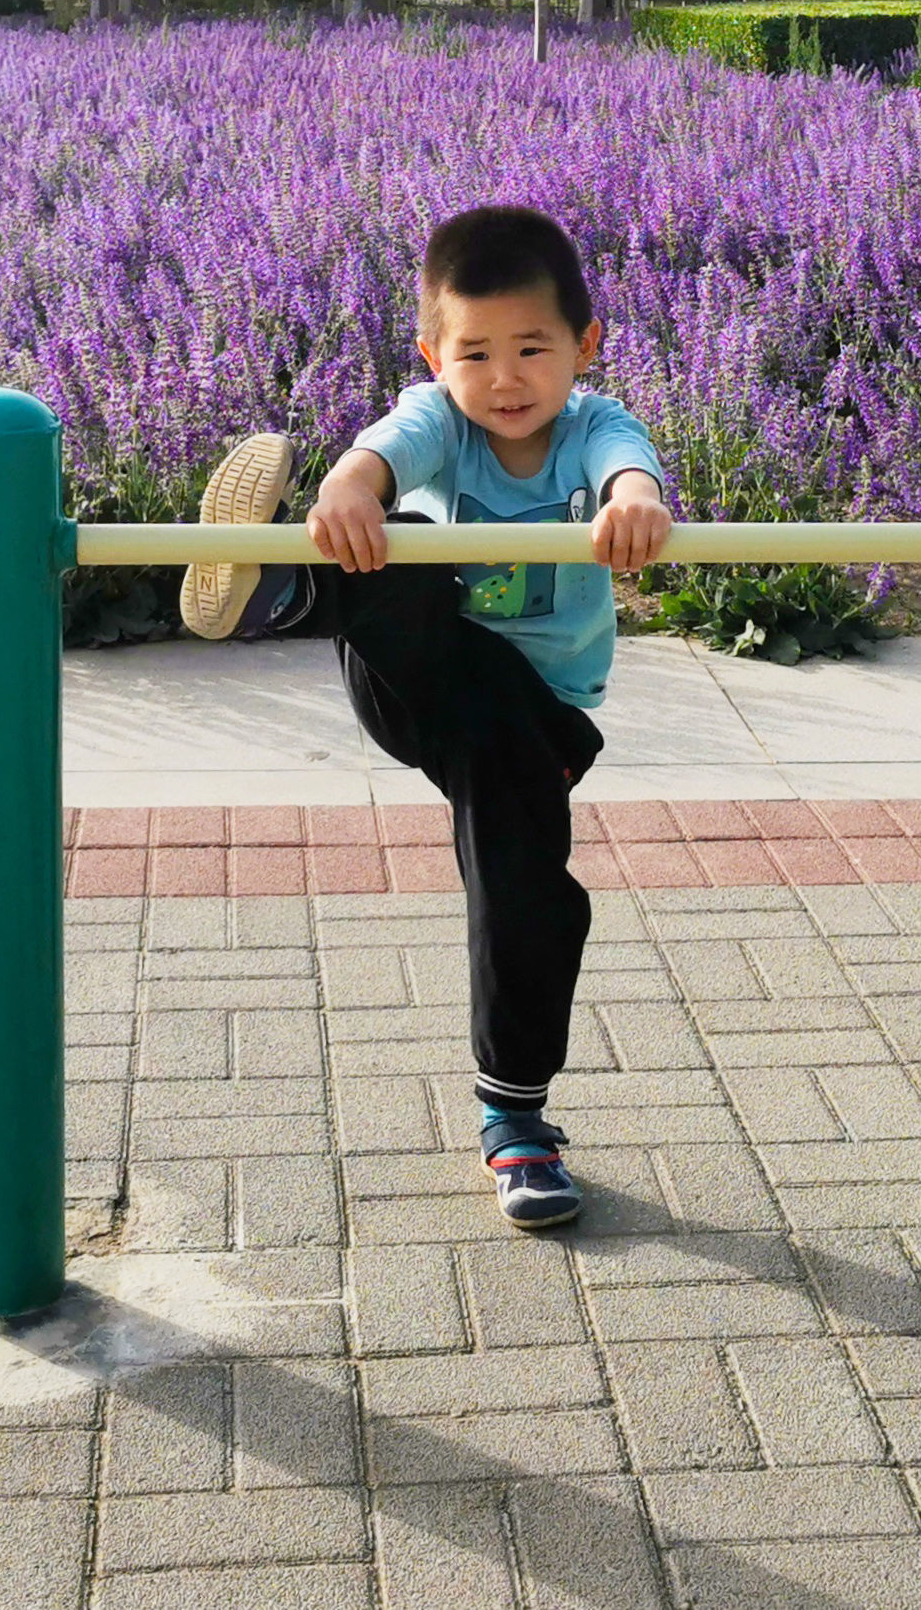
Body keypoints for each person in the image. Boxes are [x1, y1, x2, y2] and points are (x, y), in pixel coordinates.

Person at [180, 205, 669, 1231]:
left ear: (583, 345)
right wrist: (346, 486)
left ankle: (517, 1116)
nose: (504, 378)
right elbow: (377, 455)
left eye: (532, 349)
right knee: (397, 537)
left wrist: (631, 503)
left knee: (528, 885)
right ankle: (290, 589)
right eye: (474, 353)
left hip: (536, 719)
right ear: (431, 354)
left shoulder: (594, 426)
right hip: (421, 676)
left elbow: (630, 464)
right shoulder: (435, 418)